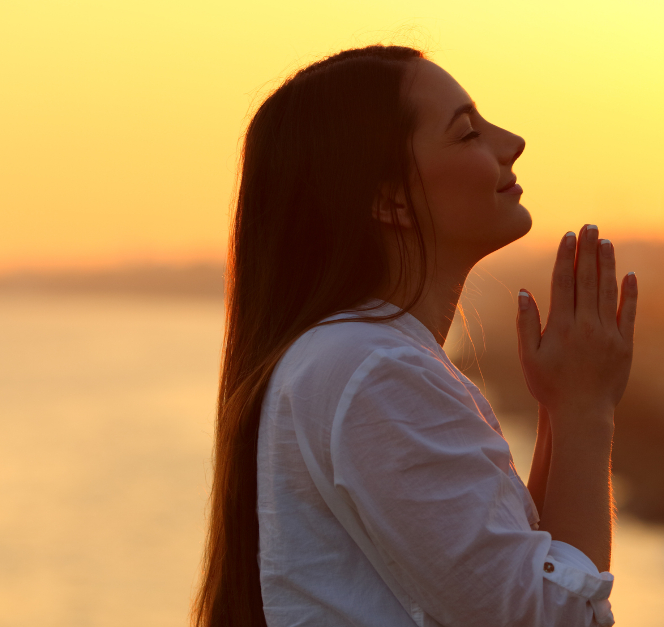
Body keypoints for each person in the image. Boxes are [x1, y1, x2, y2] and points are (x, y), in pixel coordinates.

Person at [192, 45, 638, 627]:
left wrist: (560, 412)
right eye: (467, 133)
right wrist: (586, 410)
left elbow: (523, 583)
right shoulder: (374, 368)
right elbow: (549, 619)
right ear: (390, 199)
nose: (512, 141)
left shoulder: (353, 357)